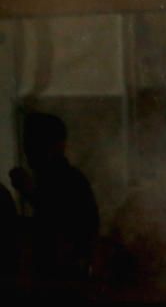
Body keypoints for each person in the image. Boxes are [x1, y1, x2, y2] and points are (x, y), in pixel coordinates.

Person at [9, 112, 99, 281]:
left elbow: (60, 224)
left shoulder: (68, 181)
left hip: (63, 281)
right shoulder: (60, 179)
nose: (28, 152)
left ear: (57, 145)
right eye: (28, 144)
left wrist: (30, 193)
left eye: (35, 144)